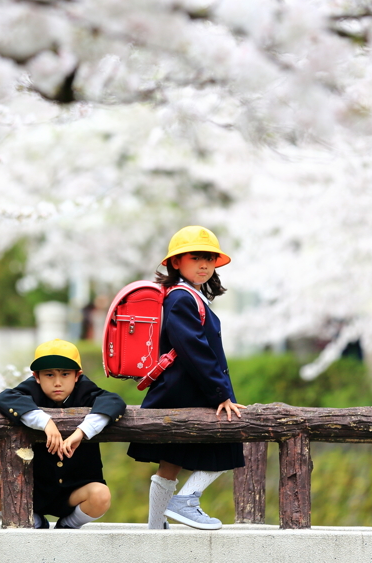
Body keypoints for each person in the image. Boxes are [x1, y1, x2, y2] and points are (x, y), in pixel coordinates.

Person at [127, 225, 245, 530]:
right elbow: (194, 349)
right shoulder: (181, 298)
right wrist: (221, 394)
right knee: (231, 436)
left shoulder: (185, 296)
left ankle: (156, 529)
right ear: (176, 262)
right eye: (196, 258)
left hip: (179, 389)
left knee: (170, 462)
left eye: (209, 258)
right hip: (189, 389)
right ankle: (186, 500)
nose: (204, 264)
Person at [0, 339, 125, 529]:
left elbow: (114, 402)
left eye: (65, 374)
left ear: (77, 375)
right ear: (36, 376)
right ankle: (35, 521)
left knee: (101, 495)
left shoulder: (86, 391)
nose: (57, 382)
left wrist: (82, 431)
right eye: (49, 375)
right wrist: (45, 422)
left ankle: (69, 525)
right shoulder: (30, 390)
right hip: (33, 489)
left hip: (76, 490)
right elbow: (5, 398)